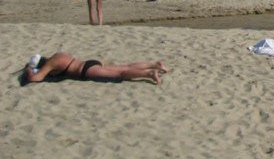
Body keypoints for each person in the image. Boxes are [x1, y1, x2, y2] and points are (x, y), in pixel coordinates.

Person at [21, 52, 167, 85]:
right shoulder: (58, 55)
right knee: (125, 66)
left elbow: (36, 78)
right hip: (90, 62)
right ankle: (155, 64)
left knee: (121, 73)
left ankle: (149, 74)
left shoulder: (51, 64)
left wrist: (28, 70)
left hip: (86, 71)